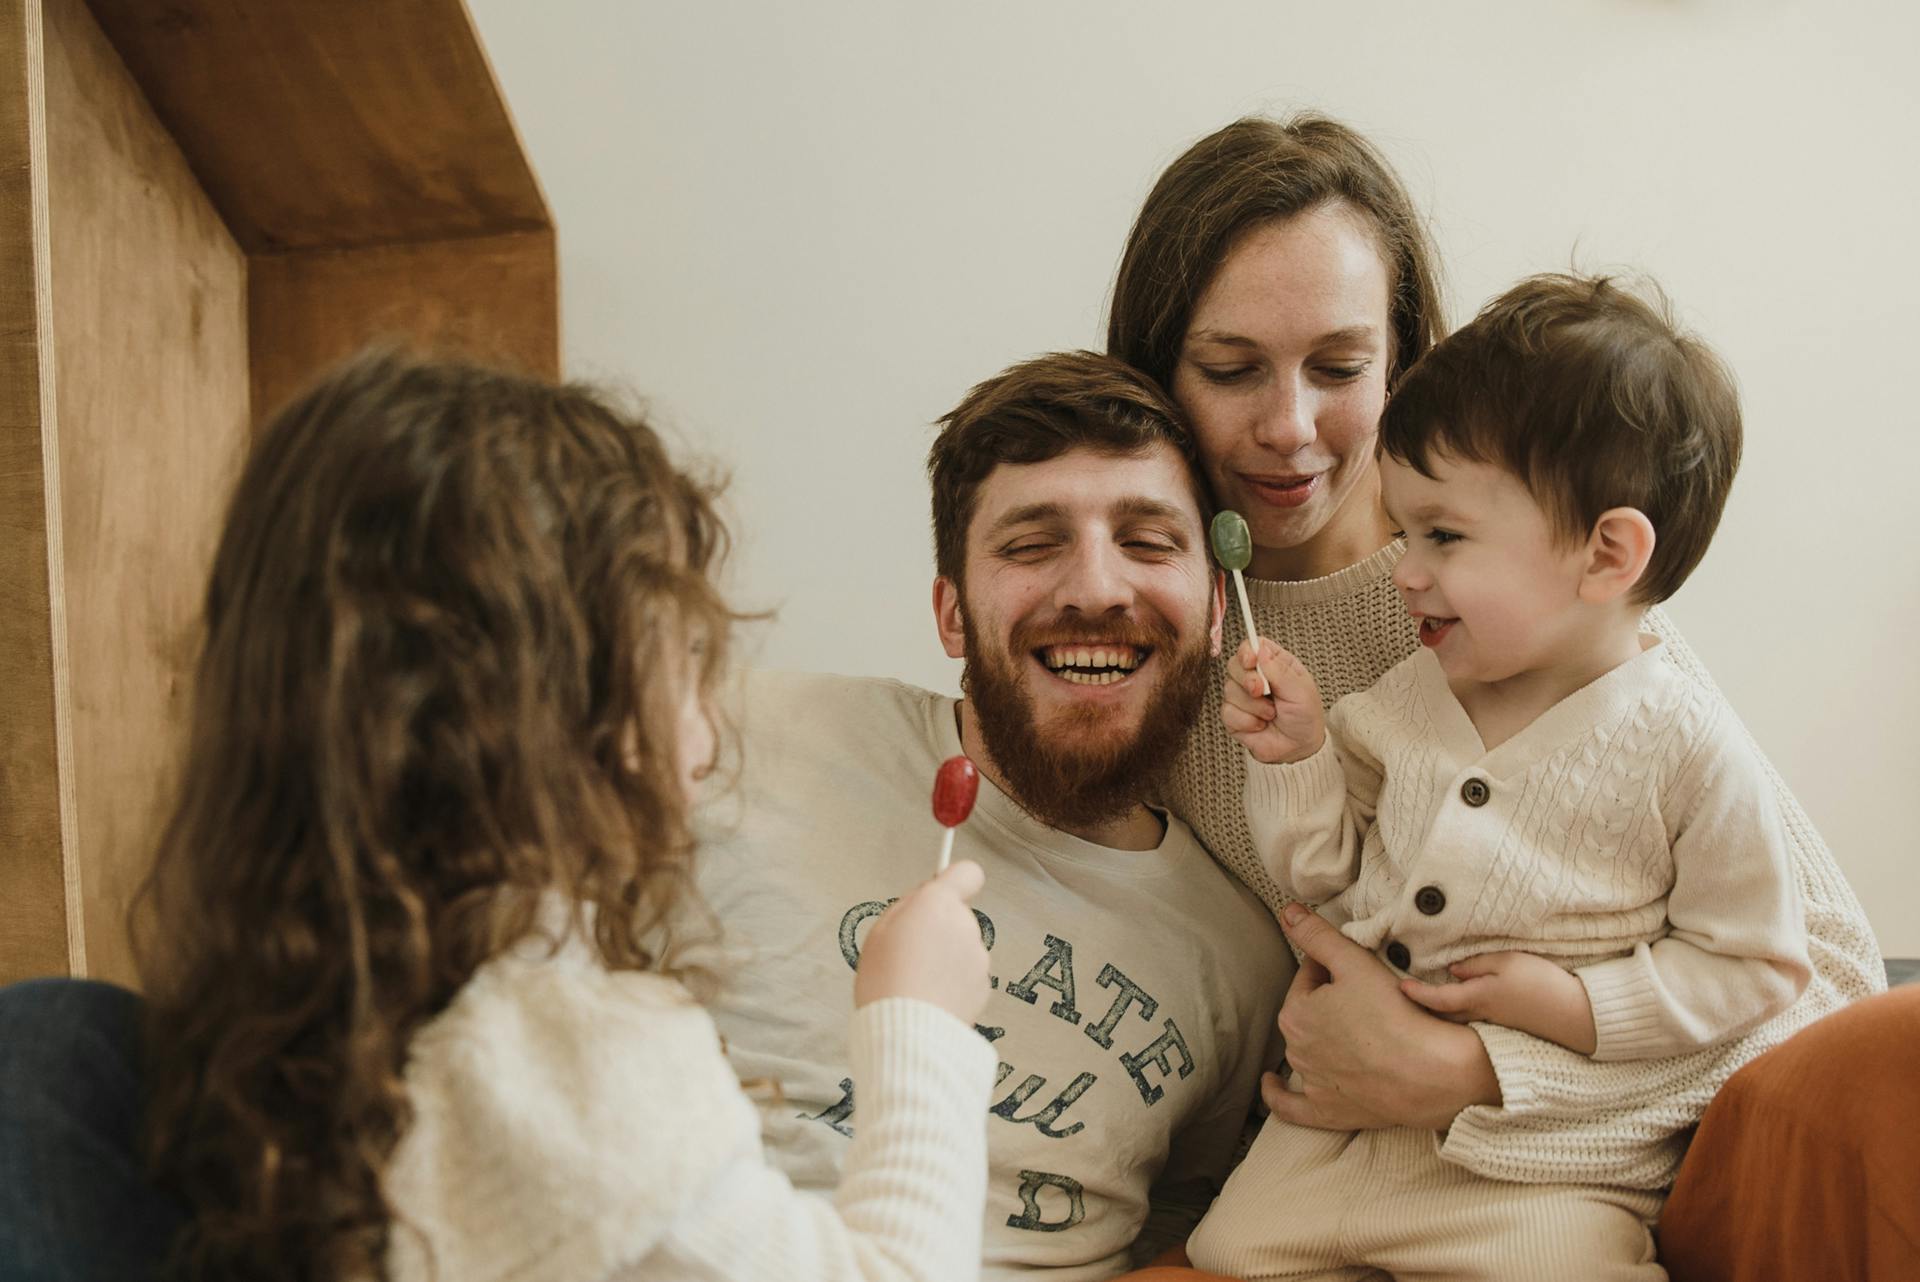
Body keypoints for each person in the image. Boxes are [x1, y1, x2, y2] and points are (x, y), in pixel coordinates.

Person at [1103, 114, 1884, 1274]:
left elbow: (1824, 985)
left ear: (1408, 363)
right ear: (1158, 374)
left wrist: (1482, 1075)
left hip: (1544, 1186)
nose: (1289, 426)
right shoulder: (1151, 645)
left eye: (1340, 367)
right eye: (1229, 370)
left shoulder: (1550, 609)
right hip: (1310, 1175)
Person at [119, 352, 998, 1282]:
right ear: (561, 699)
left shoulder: (317, 1016)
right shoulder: (553, 1048)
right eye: (690, 654)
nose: (712, 726)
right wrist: (920, 1023)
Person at [1187, 273, 1811, 1280]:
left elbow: (1760, 968)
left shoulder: (1688, 746)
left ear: (1606, 554)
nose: (1405, 568)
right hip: (1335, 1148)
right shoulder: (1404, 699)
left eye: (1443, 535)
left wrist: (1573, 1007)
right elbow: (1327, 881)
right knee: (1226, 1251)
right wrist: (1298, 761)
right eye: (1403, 529)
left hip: (1537, 1172)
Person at [692, 350, 1288, 1281]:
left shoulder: (1247, 959)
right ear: (953, 615)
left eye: (1147, 539)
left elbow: (1189, 1221)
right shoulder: (736, 735)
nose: (1095, 588)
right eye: (1032, 543)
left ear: (1218, 609)